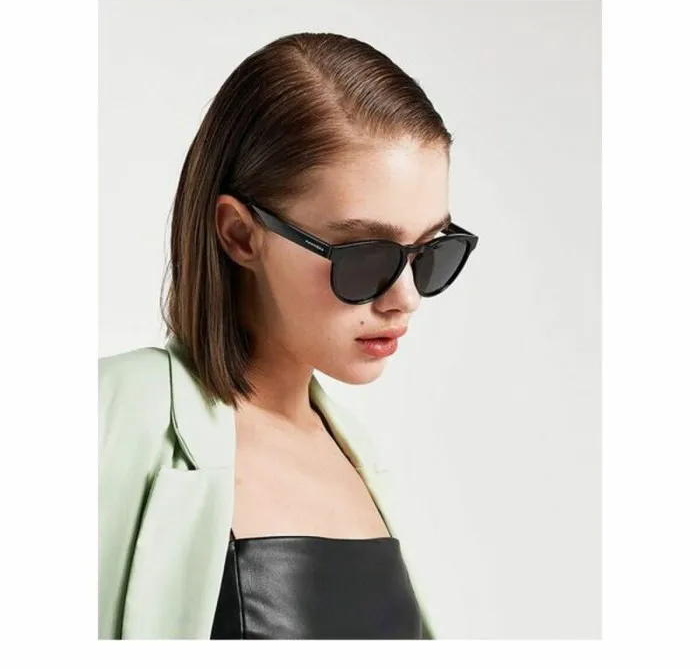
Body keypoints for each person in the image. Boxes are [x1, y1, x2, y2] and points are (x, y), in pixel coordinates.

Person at [98, 31, 479, 640]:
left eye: (431, 251)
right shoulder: (113, 413)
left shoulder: (362, 459)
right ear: (239, 234)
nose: (404, 297)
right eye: (364, 255)